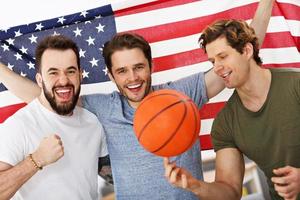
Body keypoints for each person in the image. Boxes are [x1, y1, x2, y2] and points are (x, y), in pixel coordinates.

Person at [0, 1, 274, 199]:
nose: (132, 77)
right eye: (122, 71)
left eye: (139, 67)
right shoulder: (102, 108)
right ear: (111, 75)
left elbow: (239, 59)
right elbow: (45, 96)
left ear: (150, 66)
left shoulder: (180, 95)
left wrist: (266, 4)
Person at [164, 18, 300, 200]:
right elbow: (230, 191)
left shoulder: (296, 85)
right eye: (213, 61)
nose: (217, 68)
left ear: (246, 50)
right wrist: (195, 185)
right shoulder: (225, 123)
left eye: (223, 56)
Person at [0, 35, 108, 200]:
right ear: (39, 80)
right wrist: (36, 160)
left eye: (70, 71)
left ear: (80, 75)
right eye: (53, 73)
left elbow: (103, 176)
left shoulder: (93, 122)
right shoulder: (18, 125)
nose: (63, 80)